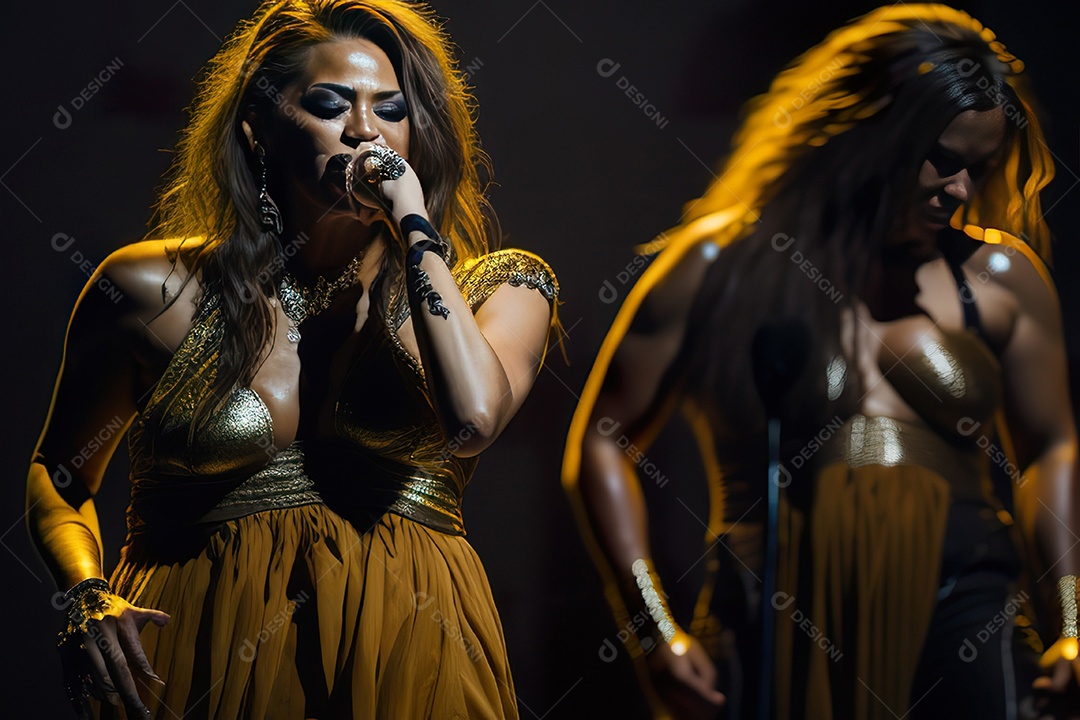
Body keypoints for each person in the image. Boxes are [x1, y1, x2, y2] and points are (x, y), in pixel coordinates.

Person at [27, 1, 559, 717]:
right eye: (331, 104)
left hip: (412, 661)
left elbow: (473, 418)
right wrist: (86, 593)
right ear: (258, 126)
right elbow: (58, 476)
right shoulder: (150, 290)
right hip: (196, 655)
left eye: (391, 109)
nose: (365, 131)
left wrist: (414, 225)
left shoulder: (500, 291)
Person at [563, 5, 1077, 719]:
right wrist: (653, 630)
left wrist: (1073, 625)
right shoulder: (722, 266)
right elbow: (601, 441)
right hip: (769, 611)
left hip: (964, 606)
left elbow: (1053, 447)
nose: (959, 190)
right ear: (871, 127)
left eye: (979, 169)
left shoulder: (998, 277)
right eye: (942, 158)